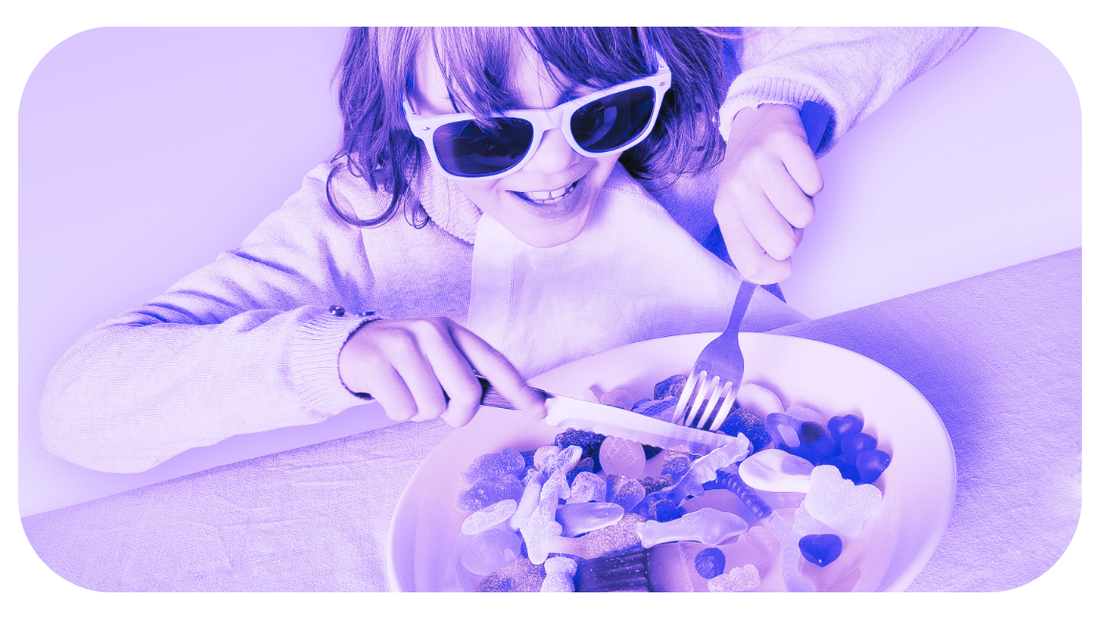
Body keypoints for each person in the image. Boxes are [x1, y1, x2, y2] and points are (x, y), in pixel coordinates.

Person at [39, 27, 974, 474]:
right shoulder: (366, 219)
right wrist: (335, 352)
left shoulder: (688, 124)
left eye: (600, 112)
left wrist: (780, 100)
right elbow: (77, 410)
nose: (561, 164)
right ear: (405, 117)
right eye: (489, 136)